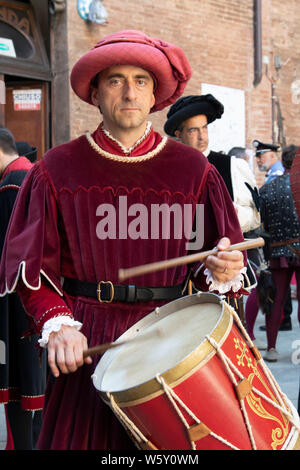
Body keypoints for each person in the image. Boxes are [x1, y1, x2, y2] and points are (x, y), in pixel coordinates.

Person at [0, 30, 246, 450]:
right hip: (88, 342)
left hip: (171, 341)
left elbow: (215, 269)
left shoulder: (194, 171)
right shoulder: (57, 168)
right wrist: (58, 327)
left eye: (141, 81)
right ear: (95, 93)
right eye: (115, 80)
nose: (129, 92)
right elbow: (33, 269)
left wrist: (222, 269)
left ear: (155, 97)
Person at [0, 127, 46, 449]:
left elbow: (6, 265)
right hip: (37, 306)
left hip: (19, 309)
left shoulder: (11, 185)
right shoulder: (32, 175)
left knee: (21, 394)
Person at [164, 95, 261, 237]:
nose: (202, 136)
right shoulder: (169, 172)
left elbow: (254, 216)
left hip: (224, 253)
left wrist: (234, 214)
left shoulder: (231, 166)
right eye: (193, 130)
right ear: (179, 134)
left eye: (204, 128)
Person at [259, 144, 300, 362]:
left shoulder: (268, 188)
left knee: (276, 300)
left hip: (278, 251)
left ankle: (272, 348)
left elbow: (263, 223)